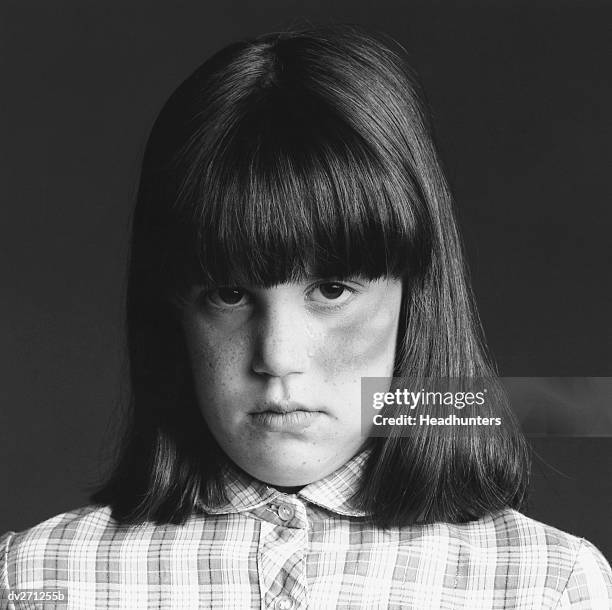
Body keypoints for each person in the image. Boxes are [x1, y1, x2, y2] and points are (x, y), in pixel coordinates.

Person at [1, 25, 611, 610]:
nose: (278, 358)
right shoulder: (34, 578)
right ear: (171, 313)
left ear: (414, 298)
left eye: (331, 289)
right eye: (230, 294)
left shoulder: (545, 586)